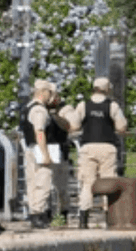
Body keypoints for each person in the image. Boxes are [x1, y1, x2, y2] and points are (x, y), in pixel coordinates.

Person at [72, 77, 128, 229]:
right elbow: (122, 127)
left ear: (94, 88)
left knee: (87, 183)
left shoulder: (83, 105)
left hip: (88, 147)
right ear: (107, 89)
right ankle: (109, 218)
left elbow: (74, 125)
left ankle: (83, 220)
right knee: (108, 181)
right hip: (107, 147)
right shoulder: (112, 105)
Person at [20, 79, 62, 229]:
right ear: (43, 92)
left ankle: (33, 213)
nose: (51, 96)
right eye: (50, 93)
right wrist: (45, 154)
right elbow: (39, 131)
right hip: (40, 148)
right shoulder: (40, 110)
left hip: (30, 148)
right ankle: (39, 214)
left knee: (32, 183)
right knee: (43, 182)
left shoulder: (27, 108)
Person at [46, 84, 77, 226]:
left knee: (61, 186)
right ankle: (46, 214)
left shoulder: (65, 109)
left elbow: (71, 125)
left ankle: (63, 213)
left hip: (60, 150)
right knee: (45, 185)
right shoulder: (39, 108)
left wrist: (55, 116)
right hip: (45, 150)